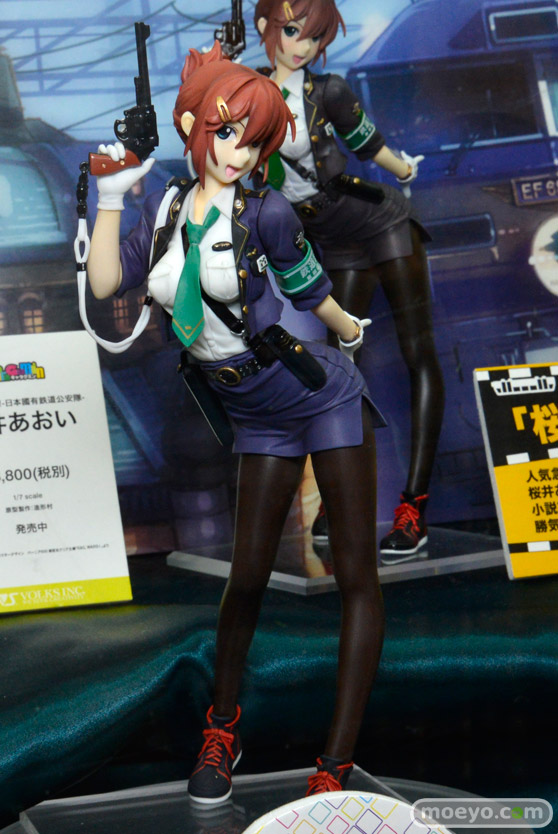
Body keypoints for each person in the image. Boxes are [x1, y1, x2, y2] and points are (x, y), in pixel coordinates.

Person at [86, 42, 385, 803]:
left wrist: (348, 327)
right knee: (247, 577)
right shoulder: (165, 209)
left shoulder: (269, 210)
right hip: (254, 411)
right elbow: (110, 285)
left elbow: (307, 286)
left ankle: (335, 766)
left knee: (356, 576)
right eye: (226, 133)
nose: (239, 152)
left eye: (253, 141)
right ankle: (223, 731)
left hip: (315, 394)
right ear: (193, 126)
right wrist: (112, 196)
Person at [254, 0, 445, 562]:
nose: (302, 45)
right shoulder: (249, 94)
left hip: (379, 220)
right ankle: (341, 504)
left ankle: (414, 509)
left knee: (417, 353)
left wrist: (404, 170)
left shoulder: (328, 90)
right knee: (340, 371)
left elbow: (366, 143)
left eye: (313, 36)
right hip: (330, 240)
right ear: (266, 27)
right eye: (292, 31)